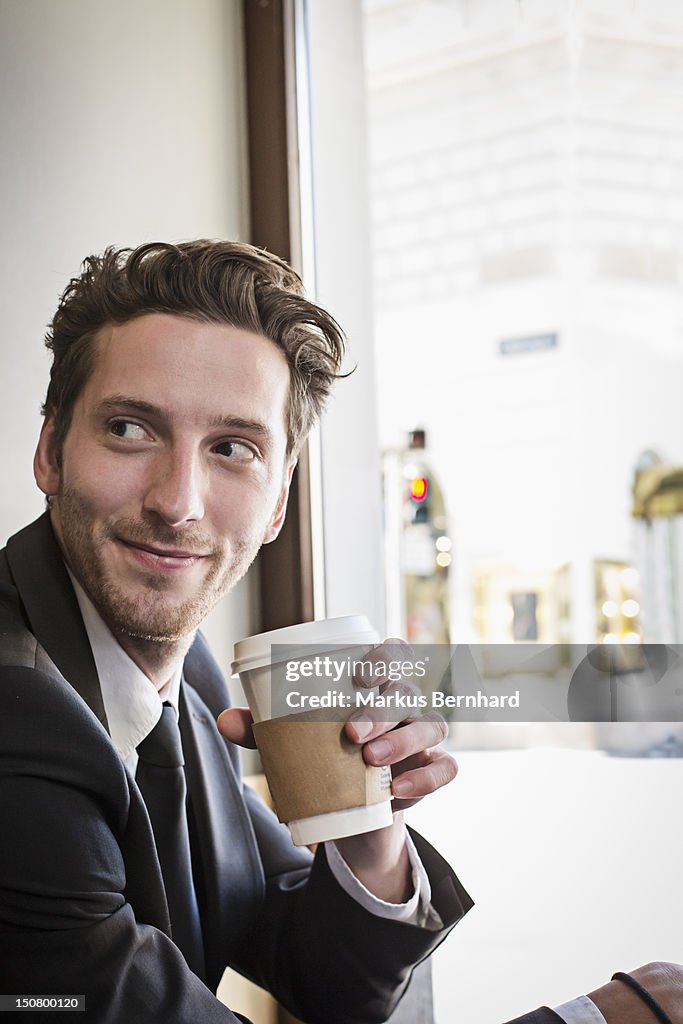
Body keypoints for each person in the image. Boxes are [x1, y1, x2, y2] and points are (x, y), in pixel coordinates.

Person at [0, 241, 679, 1024]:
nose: (178, 502)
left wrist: (367, 822)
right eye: (129, 429)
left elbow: (324, 980)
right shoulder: (20, 715)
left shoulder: (185, 679)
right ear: (51, 450)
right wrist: (603, 1019)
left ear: (277, 501)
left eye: (231, 449)